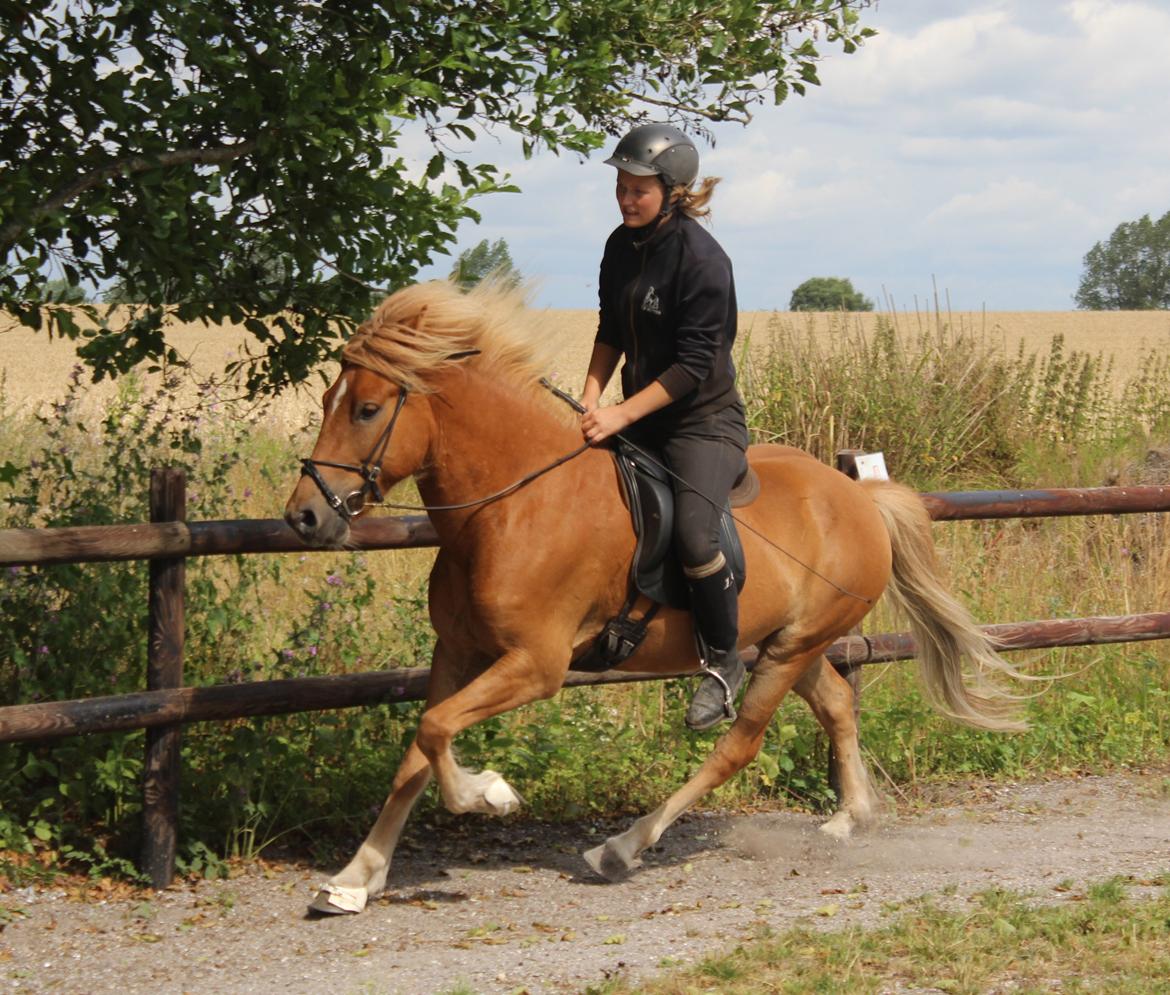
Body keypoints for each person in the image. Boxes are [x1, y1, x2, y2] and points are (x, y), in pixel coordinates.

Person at [579, 123, 749, 731]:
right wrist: (591, 395)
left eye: (638, 190)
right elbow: (610, 330)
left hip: (702, 425)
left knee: (696, 537)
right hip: (636, 416)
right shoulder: (619, 246)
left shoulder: (704, 261)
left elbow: (694, 365)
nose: (626, 199)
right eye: (621, 187)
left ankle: (724, 662)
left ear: (673, 190)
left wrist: (620, 415)